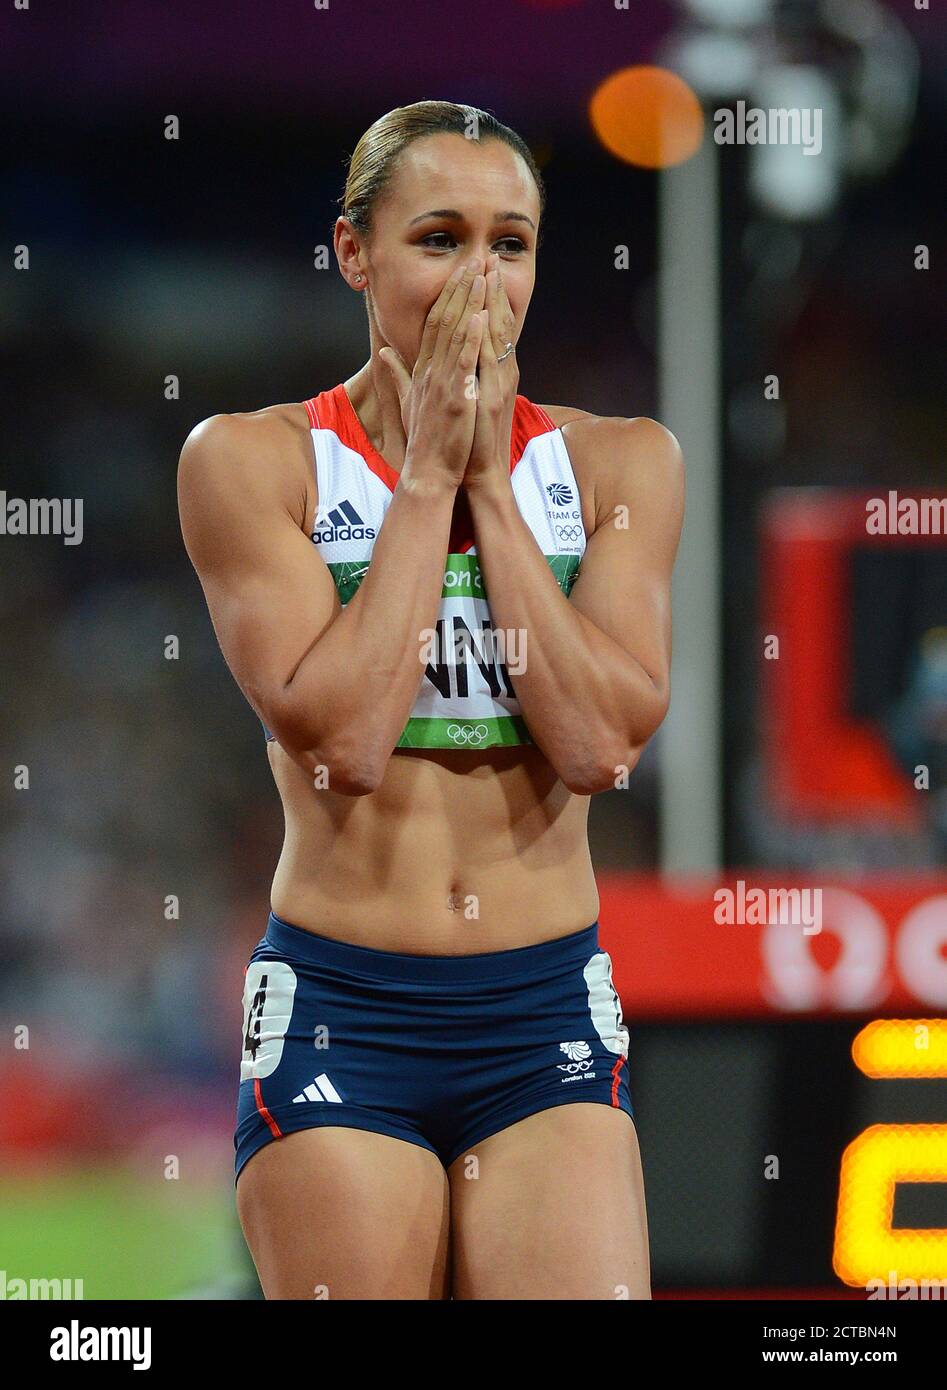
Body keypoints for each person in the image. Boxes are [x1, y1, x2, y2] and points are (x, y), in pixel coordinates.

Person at [178, 99, 685, 1300]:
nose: (479, 280)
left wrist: (490, 492)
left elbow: (601, 741)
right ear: (354, 252)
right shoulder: (252, 462)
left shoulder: (620, 462)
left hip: (540, 1005)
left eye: (509, 245)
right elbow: (344, 740)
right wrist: (422, 479)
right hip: (347, 1006)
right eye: (439, 238)